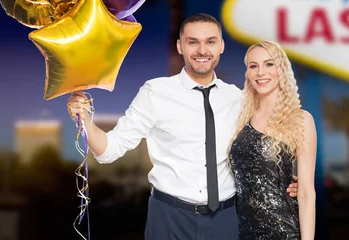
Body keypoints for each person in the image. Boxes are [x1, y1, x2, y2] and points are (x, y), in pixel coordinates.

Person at [67, 13, 298, 240]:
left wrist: (291, 181)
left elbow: (260, 149)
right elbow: (108, 151)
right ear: (180, 46)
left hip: (225, 219)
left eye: (210, 42)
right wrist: (85, 121)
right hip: (168, 217)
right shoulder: (155, 93)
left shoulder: (238, 98)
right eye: (192, 42)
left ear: (221, 46)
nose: (202, 50)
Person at [228, 41, 317, 240]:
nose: (261, 72)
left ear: (282, 70)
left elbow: (305, 192)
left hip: (283, 231)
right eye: (253, 66)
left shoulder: (300, 120)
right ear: (248, 73)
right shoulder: (242, 117)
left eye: (269, 64)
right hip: (243, 232)